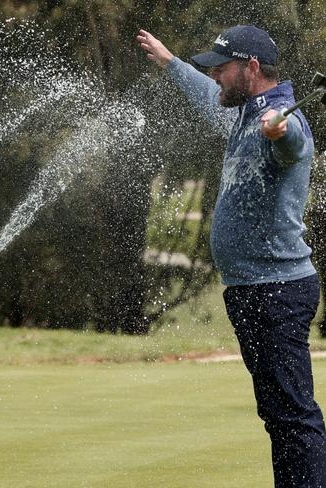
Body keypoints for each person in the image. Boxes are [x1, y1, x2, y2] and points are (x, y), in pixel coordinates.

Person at [137, 25, 326, 486]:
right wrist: (170, 62)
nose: (216, 76)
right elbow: (207, 95)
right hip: (250, 292)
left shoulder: (282, 117)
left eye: (223, 69)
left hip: (277, 292)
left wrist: (280, 134)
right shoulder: (243, 112)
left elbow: (296, 145)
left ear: (252, 68)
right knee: (278, 416)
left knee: (294, 418)